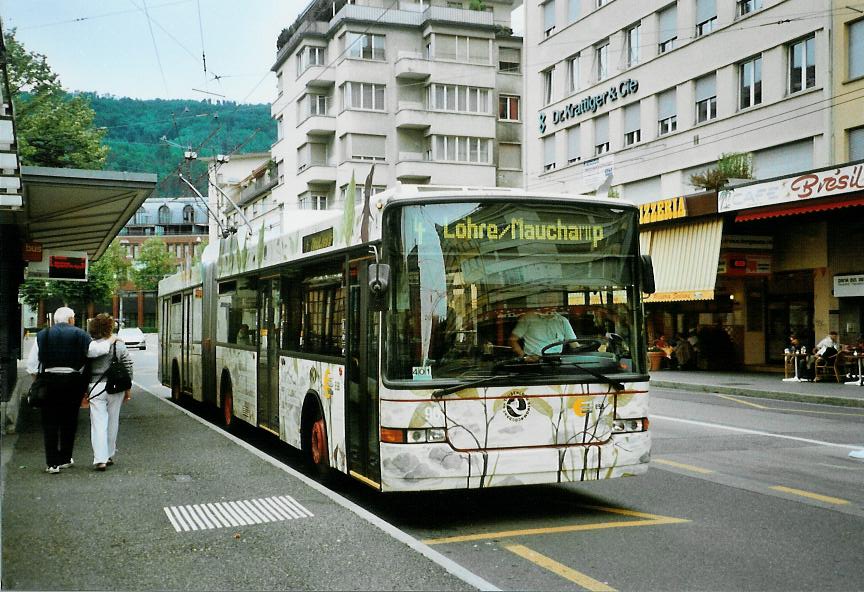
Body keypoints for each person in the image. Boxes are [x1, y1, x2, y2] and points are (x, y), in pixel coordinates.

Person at [26, 307, 112, 474]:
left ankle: (52, 464)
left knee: (50, 422)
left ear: (54, 320)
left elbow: (32, 365)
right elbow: (95, 351)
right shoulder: (80, 334)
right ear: (72, 319)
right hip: (72, 382)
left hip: (49, 381)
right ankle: (65, 458)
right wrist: (110, 340)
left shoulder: (43, 335)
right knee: (69, 420)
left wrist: (39, 381)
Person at [86, 313, 133, 471]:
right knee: (113, 421)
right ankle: (109, 454)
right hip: (115, 387)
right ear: (110, 327)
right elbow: (128, 364)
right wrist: (128, 388)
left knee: (98, 423)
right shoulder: (118, 345)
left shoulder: (90, 345)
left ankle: (100, 459)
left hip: (95, 386)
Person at [508, 295, 577, 361]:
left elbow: (574, 344)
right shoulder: (528, 318)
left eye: (553, 302)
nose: (550, 305)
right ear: (540, 302)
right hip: (533, 362)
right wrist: (524, 356)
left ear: (557, 304)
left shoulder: (563, 321)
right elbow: (512, 340)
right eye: (547, 302)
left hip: (556, 361)